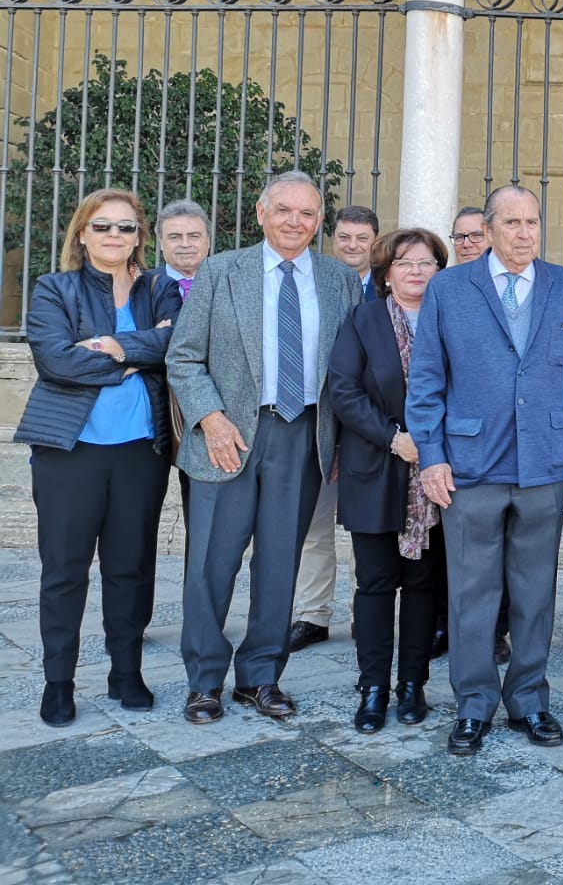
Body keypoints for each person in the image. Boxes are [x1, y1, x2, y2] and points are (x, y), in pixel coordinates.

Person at [167, 171, 362, 724]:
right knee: (211, 566)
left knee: (281, 565)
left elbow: (350, 368)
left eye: (306, 213)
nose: (294, 222)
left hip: (303, 438)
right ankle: (204, 681)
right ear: (260, 212)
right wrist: (210, 418)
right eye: (283, 210)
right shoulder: (221, 271)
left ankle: (260, 677)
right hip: (228, 437)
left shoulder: (338, 279)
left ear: (319, 221)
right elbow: (183, 357)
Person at [408, 185, 563, 757]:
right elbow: (427, 379)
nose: (524, 233)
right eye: (512, 223)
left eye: (532, 222)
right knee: (472, 592)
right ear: (488, 229)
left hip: (546, 463)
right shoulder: (450, 288)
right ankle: (474, 703)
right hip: (469, 465)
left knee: (536, 591)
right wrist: (431, 456)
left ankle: (530, 699)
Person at [18, 190, 180, 726]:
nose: (116, 236)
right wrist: (135, 354)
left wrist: (109, 346)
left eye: (127, 227)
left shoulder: (160, 287)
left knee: (130, 568)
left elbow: (176, 347)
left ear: (140, 237)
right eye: (104, 226)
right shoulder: (53, 289)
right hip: (70, 451)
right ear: (82, 233)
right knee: (64, 570)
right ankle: (58, 681)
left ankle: (126, 672)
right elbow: (56, 361)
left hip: (141, 450)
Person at [327, 228, 449, 734]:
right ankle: (373, 686)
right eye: (405, 263)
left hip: (438, 474)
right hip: (377, 467)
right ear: (385, 273)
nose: (416, 271)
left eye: (426, 263)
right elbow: (343, 389)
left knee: (424, 585)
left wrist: (435, 443)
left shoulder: (452, 319)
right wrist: (393, 437)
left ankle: (412, 684)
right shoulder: (363, 320)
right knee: (375, 585)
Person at [289, 202, 383, 654]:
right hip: (322, 422)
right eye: (344, 237)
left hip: (374, 429)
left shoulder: (390, 287)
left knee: (373, 526)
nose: (351, 246)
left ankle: (367, 612)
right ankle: (312, 613)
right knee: (313, 524)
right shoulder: (318, 283)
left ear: (374, 242)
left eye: (361, 239)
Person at [432, 203, 494, 661]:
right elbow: (431, 377)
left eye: (476, 235)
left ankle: (498, 636)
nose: (468, 244)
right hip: (462, 453)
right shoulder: (446, 289)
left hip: (528, 457)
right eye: (461, 237)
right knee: (463, 568)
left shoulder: (554, 287)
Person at [157, 198, 212, 548]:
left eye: (194, 235)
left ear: (208, 241)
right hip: (153, 413)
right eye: (175, 236)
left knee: (204, 521)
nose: (185, 244)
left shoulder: (228, 283)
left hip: (206, 414)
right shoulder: (140, 287)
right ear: (160, 243)